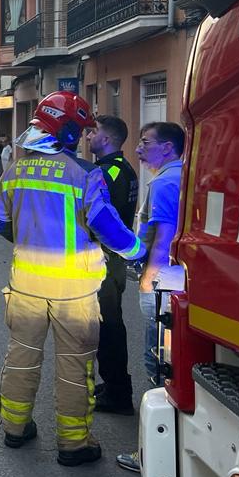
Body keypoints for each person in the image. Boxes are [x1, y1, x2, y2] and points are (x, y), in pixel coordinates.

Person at [0, 92, 145, 467]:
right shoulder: (85, 174)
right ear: (72, 131)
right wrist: (139, 251)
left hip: (26, 286)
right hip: (73, 292)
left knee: (21, 358)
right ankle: (73, 445)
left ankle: (15, 428)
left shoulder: (15, 172)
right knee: (75, 366)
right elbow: (109, 228)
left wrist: (26, 237)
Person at [116, 121, 185, 473]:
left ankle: (152, 457)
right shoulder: (182, 175)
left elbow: (163, 236)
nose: (139, 149)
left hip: (163, 282)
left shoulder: (163, 182)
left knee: (158, 365)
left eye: (146, 143)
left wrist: (149, 281)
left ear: (168, 148)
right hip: (180, 278)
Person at [86, 115, 140, 415]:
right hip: (114, 259)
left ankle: (118, 393)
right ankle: (114, 384)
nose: (88, 137)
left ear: (106, 139)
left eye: (93, 132)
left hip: (104, 260)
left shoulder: (104, 173)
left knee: (107, 328)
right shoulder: (124, 169)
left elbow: (98, 220)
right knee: (109, 325)